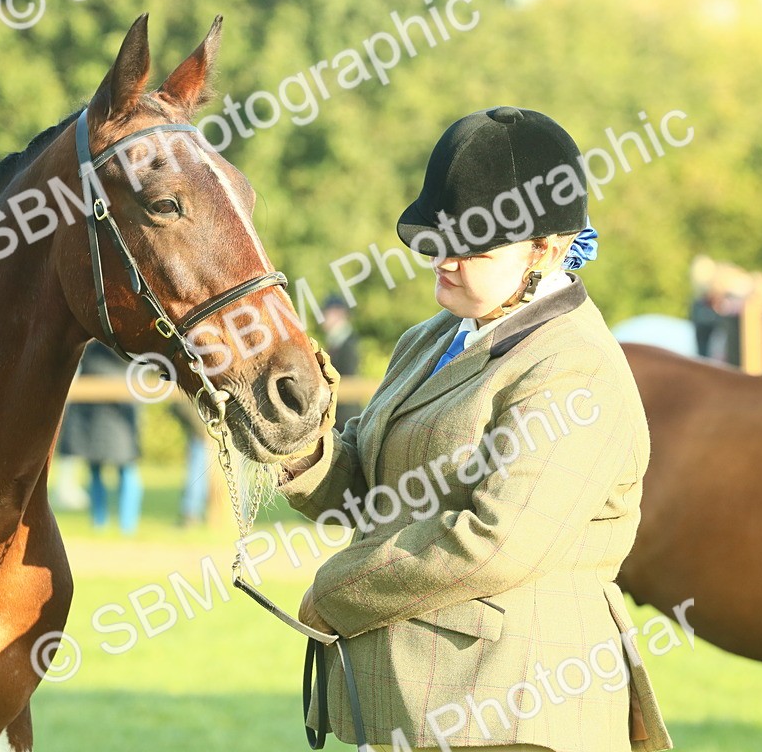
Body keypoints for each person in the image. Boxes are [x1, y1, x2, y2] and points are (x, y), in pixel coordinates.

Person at [278, 107, 671, 752]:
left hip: (520, 712)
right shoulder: (431, 338)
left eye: (474, 245)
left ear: (544, 248)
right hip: (427, 703)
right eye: (439, 237)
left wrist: (339, 588)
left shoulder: (574, 370)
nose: (446, 258)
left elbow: (497, 540)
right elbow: (380, 490)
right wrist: (297, 446)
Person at [57, 341, 144, 534]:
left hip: (104, 411)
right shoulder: (128, 345)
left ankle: (106, 524)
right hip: (110, 410)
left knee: (116, 470)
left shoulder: (92, 344)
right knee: (119, 469)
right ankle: (122, 526)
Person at [322, 294, 361, 431]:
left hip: (344, 412)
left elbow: (347, 375)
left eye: (327, 314)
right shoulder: (335, 340)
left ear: (338, 314)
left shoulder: (347, 342)